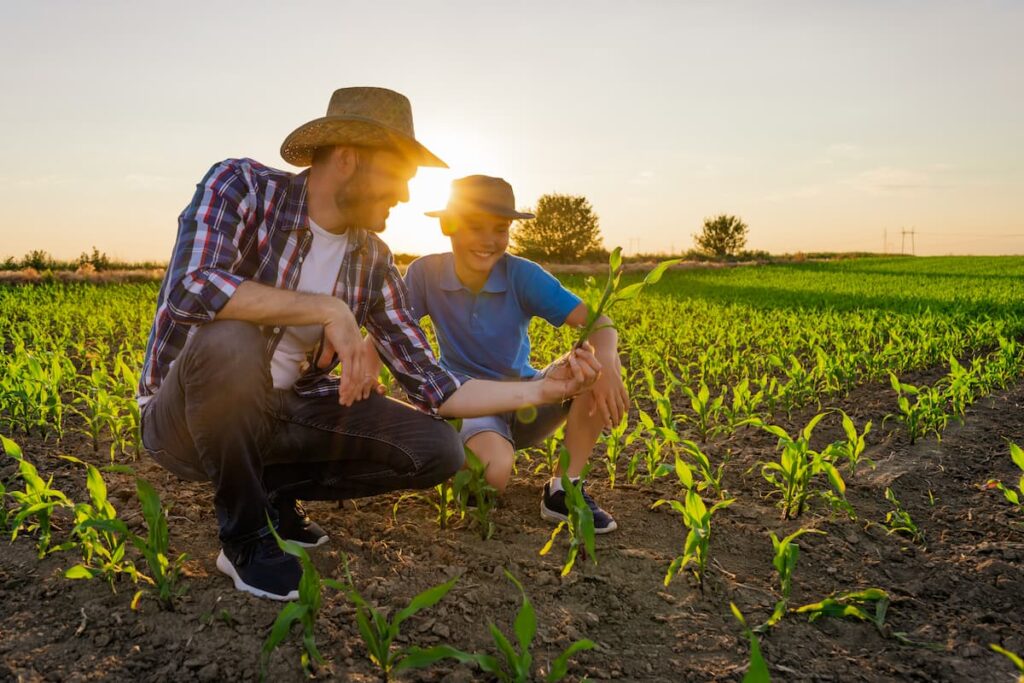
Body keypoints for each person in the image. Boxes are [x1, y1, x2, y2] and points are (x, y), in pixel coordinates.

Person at [137, 88, 601, 601]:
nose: (404, 196)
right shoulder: (242, 186)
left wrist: (544, 391)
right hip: (184, 419)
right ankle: (245, 540)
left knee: (437, 448)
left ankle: (274, 494)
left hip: (285, 413)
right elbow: (190, 287)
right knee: (230, 338)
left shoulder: (372, 259)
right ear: (349, 159)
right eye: (399, 178)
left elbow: (435, 385)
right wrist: (324, 309)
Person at [404, 175, 628, 533]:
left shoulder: (522, 274)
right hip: (470, 402)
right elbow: (390, 332)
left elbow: (598, 321)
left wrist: (609, 367)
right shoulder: (424, 274)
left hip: (527, 398)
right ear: (449, 225)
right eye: (475, 226)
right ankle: (458, 456)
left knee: (590, 366)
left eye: (501, 228)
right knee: (491, 476)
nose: (490, 240)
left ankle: (564, 489)